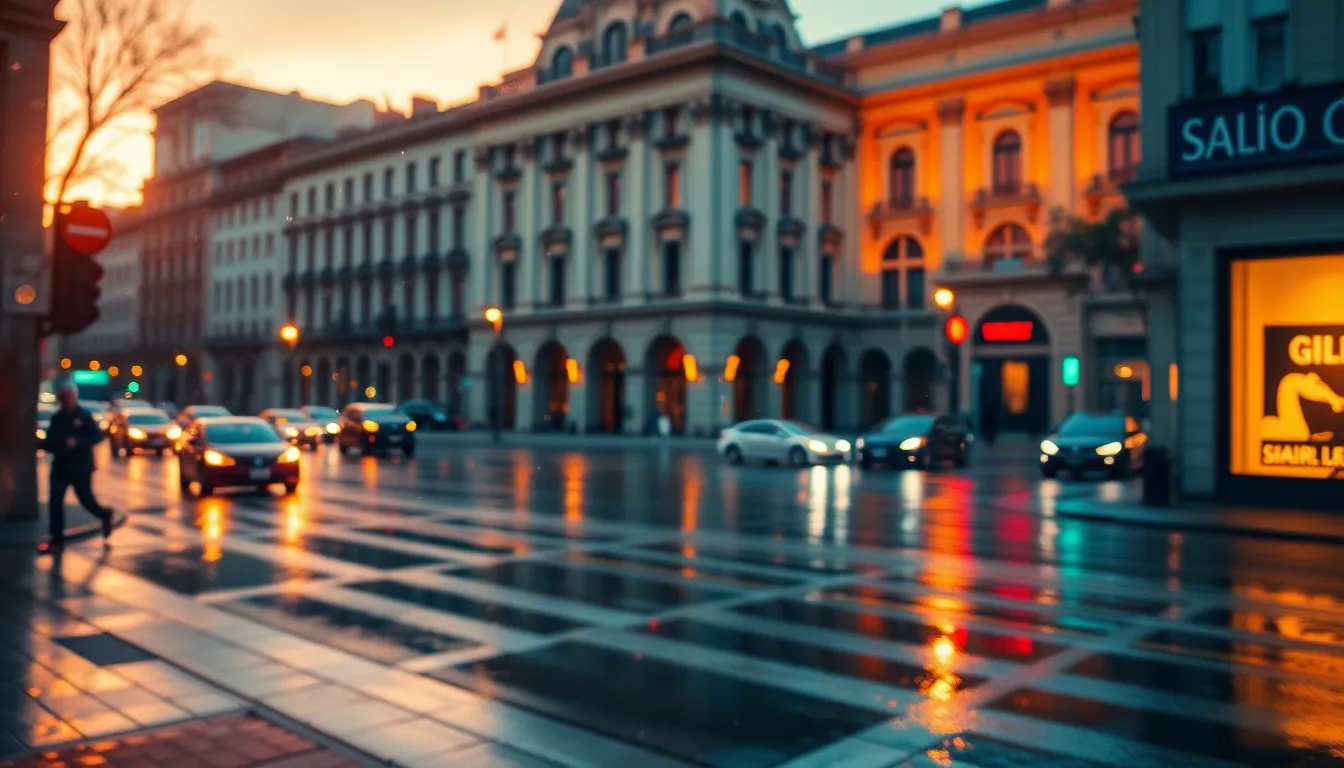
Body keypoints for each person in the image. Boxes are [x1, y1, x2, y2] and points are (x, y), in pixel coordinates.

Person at [39, 381, 114, 552]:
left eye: (68, 396)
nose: (65, 400)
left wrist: (78, 442)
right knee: (55, 502)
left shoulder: (84, 416)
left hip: (80, 467)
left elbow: (97, 436)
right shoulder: (57, 418)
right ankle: (56, 541)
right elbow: (51, 441)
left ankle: (104, 514)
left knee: (86, 499)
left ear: (74, 397)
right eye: (62, 397)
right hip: (60, 467)